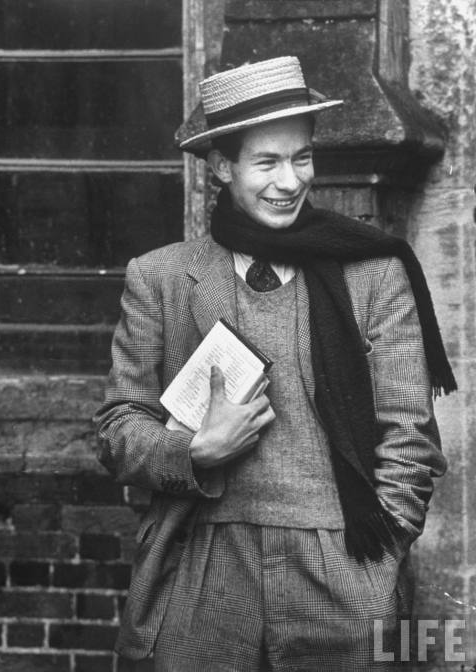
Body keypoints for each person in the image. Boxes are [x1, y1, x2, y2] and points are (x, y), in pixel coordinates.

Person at [94, 56, 456, 671]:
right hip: (201, 564)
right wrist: (194, 451)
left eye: (302, 158)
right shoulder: (161, 278)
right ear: (222, 166)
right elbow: (116, 430)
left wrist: (375, 562)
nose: (290, 181)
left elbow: (410, 438)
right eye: (267, 162)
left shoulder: (373, 273)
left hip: (341, 565)